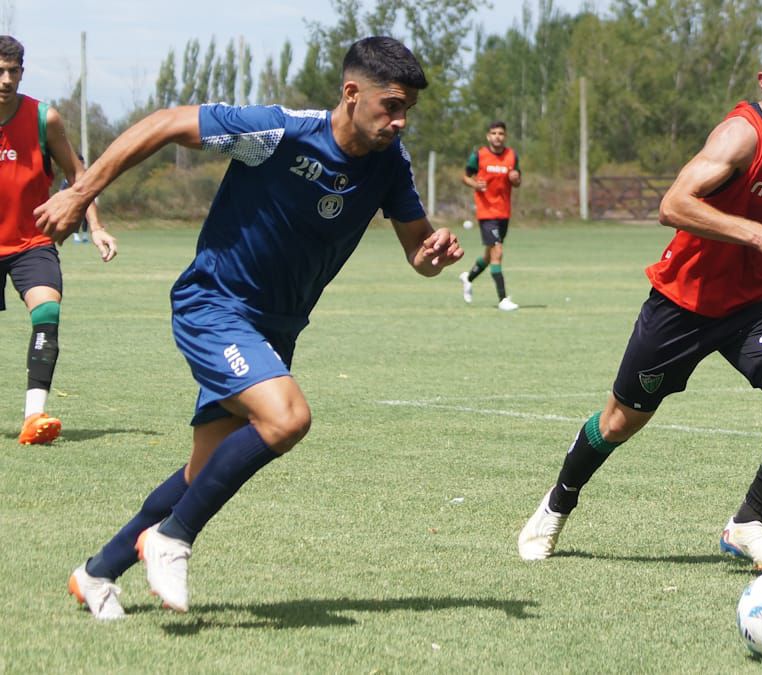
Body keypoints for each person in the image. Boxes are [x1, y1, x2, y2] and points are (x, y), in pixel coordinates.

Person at [36, 37, 462, 620]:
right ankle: (172, 538)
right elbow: (164, 123)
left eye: (408, 108)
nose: (400, 120)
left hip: (274, 328)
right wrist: (81, 191)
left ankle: (97, 572)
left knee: (202, 471)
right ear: (351, 93)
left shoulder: (391, 163)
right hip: (214, 306)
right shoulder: (279, 132)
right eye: (391, 105)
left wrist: (432, 256)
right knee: (288, 417)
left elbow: (417, 249)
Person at [517, 32, 762, 570]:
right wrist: (759, 235)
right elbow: (673, 205)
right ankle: (557, 503)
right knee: (619, 423)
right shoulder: (741, 136)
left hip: (755, 305)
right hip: (681, 303)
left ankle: (746, 524)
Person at [0, 35, 117, 446]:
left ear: (22, 72)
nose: (5, 79)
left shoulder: (43, 118)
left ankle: (34, 416)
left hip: (32, 240)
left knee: (47, 310)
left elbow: (77, 175)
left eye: (12, 71)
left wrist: (96, 226)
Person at [458, 120, 521, 311]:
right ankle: (503, 299)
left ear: (505, 136)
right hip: (486, 212)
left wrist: (516, 179)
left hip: (504, 213)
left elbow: (517, 180)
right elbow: (465, 176)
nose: (497, 137)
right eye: (494, 133)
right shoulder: (479, 155)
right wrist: (474, 184)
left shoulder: (512, 156)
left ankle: (468, 278)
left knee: (489, 255)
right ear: (488, 136)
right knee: (498, 252)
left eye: (501, 133)